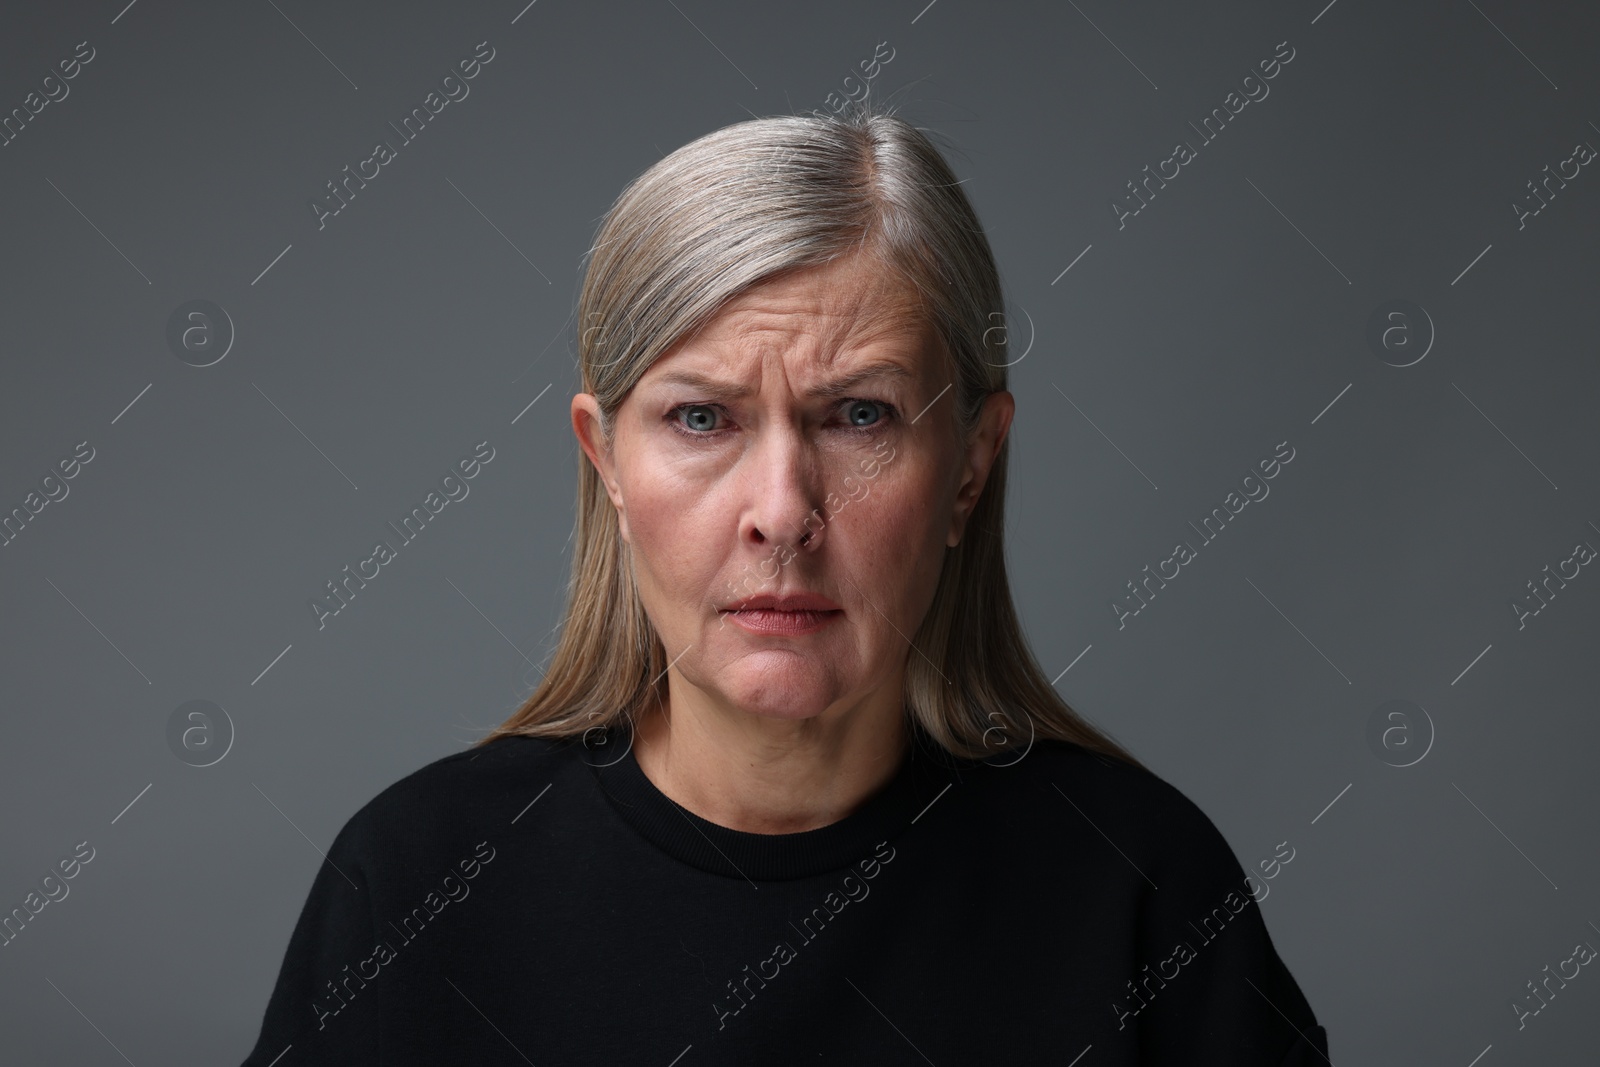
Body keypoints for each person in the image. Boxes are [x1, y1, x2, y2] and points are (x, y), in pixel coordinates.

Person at [242, 104, 1329, 1065]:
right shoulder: (413, 882)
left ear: (970, 465)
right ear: (606, 458)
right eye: (702, 418)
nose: (781, 509)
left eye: (860, 415)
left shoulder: (1143, 893)